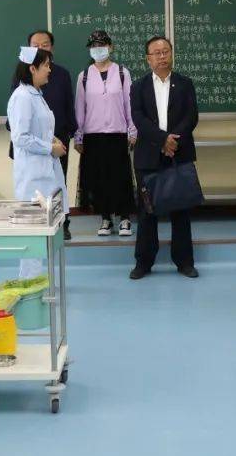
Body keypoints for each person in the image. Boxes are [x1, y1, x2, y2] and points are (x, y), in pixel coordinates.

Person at [129, 36, 200, 280]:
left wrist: (173, 141)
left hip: (178, 153)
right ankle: (143, 262)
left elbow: (191, 116)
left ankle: (184, 262)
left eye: (166, 51)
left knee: (181, 209)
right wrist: (162, 140)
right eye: (157, 53)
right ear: (148, 58)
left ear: (171, 54)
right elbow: (138, 117)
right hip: (149, 154)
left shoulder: (185, 83)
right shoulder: (138, 86)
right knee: (147, 210)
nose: (162, 56)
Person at [8, 29, 75, 239]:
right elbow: (20, 137)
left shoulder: (37, 94)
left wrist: (54, 140)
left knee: (49, 230)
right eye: (45, 66)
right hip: (33, 174)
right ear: (32, 68)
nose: (49, 70)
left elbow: (42, 127)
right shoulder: (22, 96)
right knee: (35, 234)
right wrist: (50, 147)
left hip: (46, 169)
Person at [74, 30, 137, 238]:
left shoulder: (122, 73)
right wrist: (79, 136)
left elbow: (129, 103)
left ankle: (125, 218)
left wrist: (132, 130)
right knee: (99, 179)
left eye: (101, 44)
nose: (98, 49)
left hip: (117, 134)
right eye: (94, 46)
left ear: (110, 47)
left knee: (121, 177)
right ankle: (105, 218)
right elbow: (79, 108)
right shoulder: (84, 76)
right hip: (93, 136)